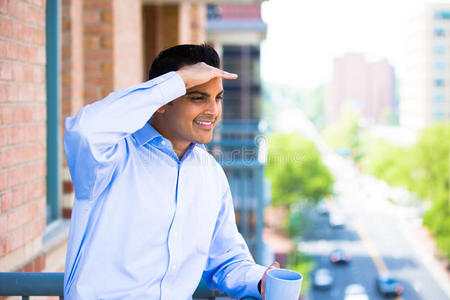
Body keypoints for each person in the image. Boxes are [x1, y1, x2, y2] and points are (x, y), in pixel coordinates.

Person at [63, 44, 279, 300]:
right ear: (162, 102)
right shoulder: (111, 158)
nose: (213, 111)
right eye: (198, 97)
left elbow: (225, 259)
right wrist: (173, 83)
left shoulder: (210, 174)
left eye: (217, 98)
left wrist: (259, 280)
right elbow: (84, 131)